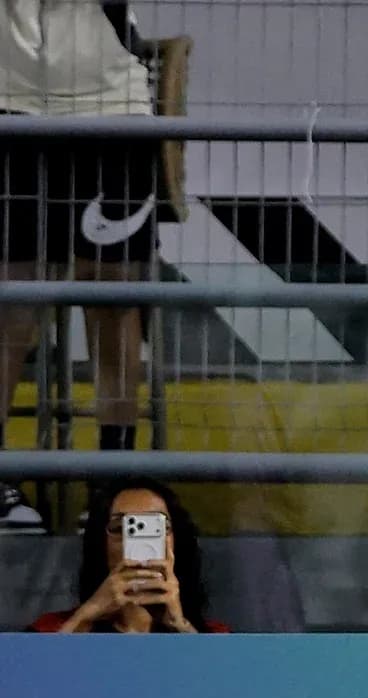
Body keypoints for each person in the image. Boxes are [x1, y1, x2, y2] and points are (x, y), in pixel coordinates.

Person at [0, 1, 160, 532]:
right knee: (14, 303)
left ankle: (113, 482)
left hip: (110, 104)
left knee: (112, 298)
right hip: (10, 101)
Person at [28, 477, 228, 633]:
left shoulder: (215, 637)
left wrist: (180, 625)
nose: (137, 541)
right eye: (118, 528)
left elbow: (225, 683)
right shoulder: (51, 629)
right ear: (99, 544)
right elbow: (21, 680)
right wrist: (86, 617)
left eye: (156, 528)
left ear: (177, 540)